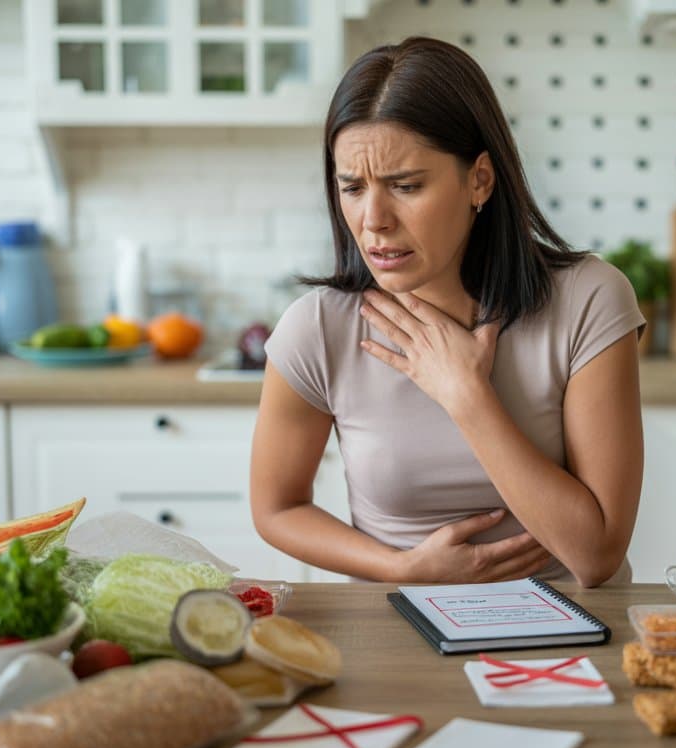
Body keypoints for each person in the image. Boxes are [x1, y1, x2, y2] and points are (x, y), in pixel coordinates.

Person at [250, 37, 645, 588]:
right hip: (398, 634)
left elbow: (597, 556)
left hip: (574, 638)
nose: (373, 220)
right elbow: (277, 509)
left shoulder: (590, 300)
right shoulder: (318, 328)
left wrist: (467, 395)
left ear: (479, 179)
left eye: (405, 186)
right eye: (352, 188)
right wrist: (401, 567)